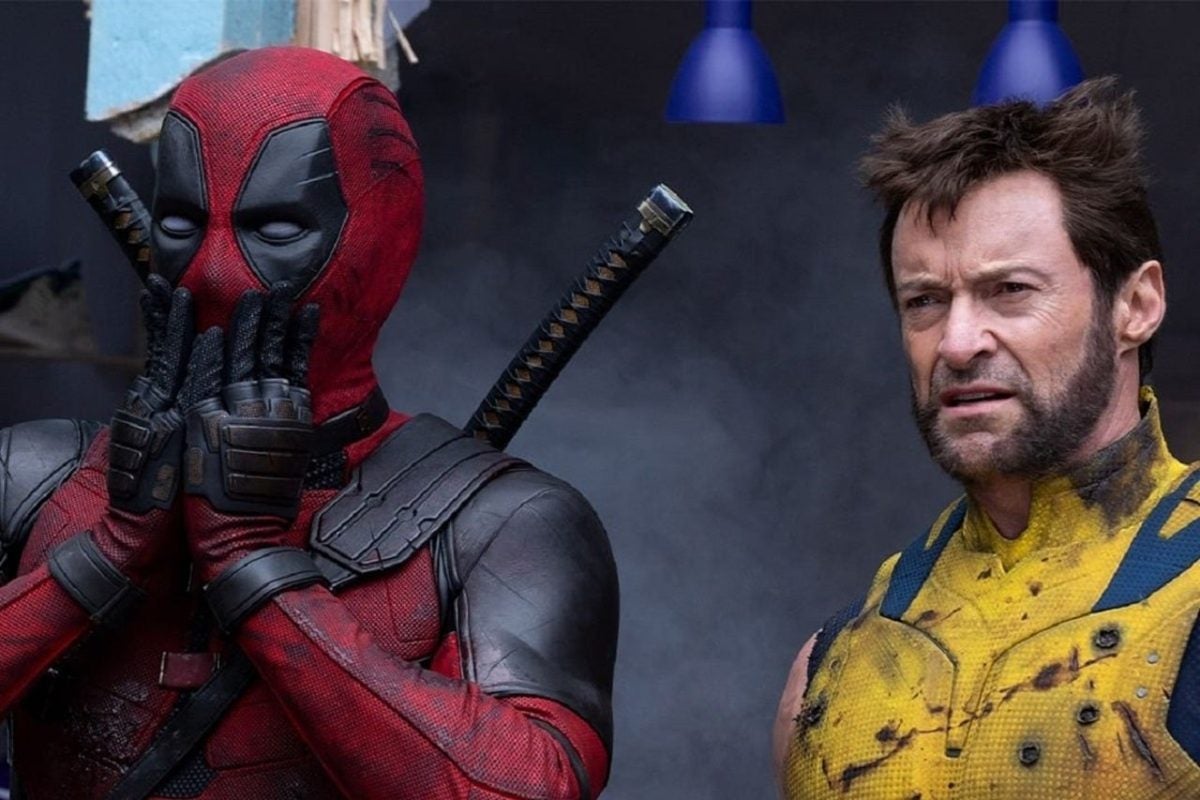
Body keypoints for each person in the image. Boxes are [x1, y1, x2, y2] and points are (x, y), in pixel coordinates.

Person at [0, 47, 617, 799]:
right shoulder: (32, 477)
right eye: (181, 221)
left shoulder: (503, 525)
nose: (213, 272)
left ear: (377, 236)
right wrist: (105, 553)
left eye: (276, 229)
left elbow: (528, 787)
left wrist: (253, 567)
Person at [774, 77, 1200, 798]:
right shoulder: (831, 667)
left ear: (1135, 305)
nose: (958, 341)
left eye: (1010, 290)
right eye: (925, 301)